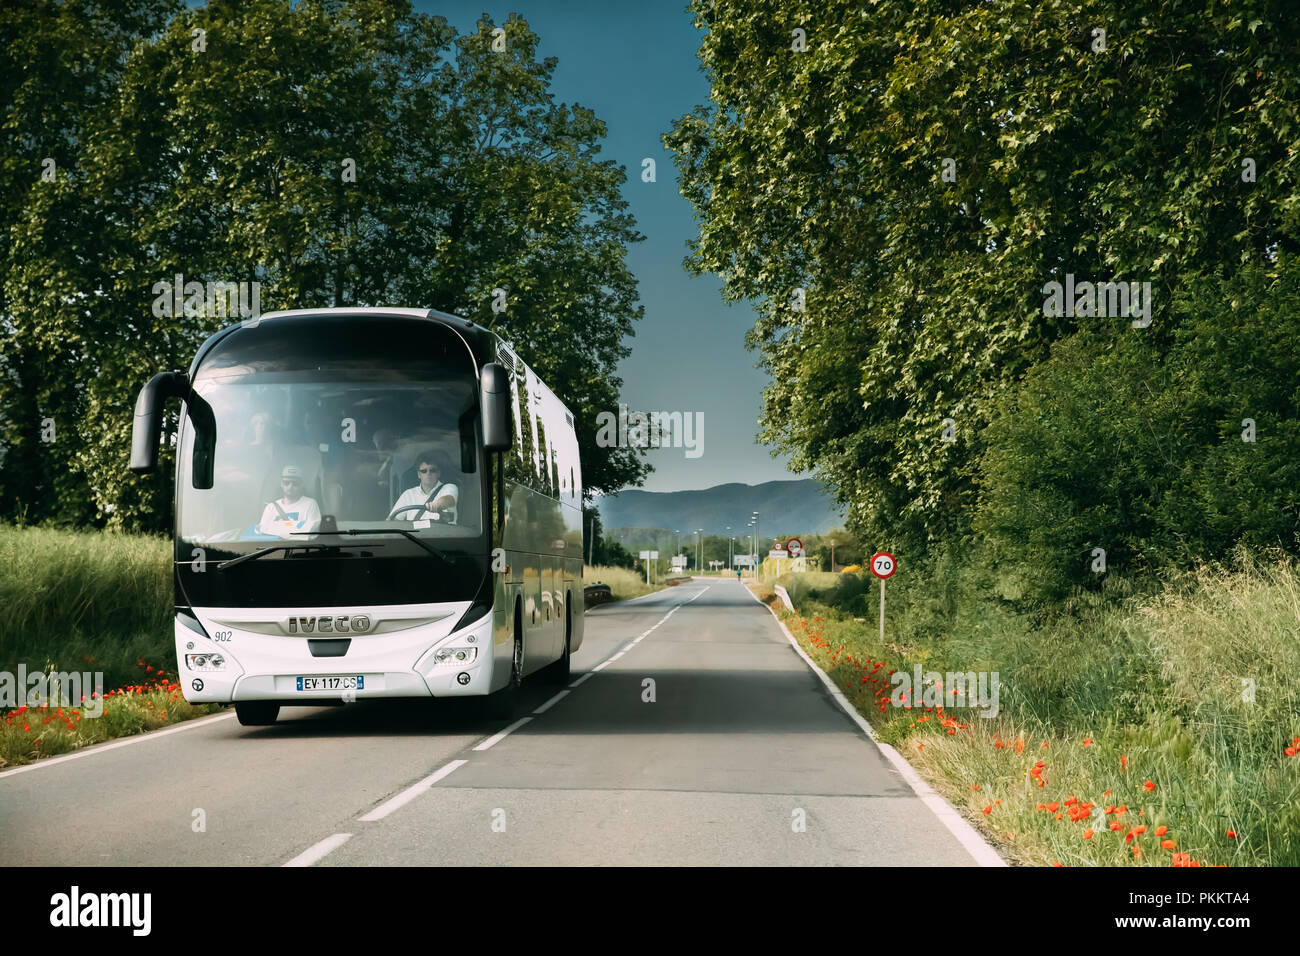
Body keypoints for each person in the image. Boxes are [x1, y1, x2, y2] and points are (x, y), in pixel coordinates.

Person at [390, 453, 458, 523]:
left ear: (439, 473)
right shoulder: (408, 494)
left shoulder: (449, 487)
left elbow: (449, 500)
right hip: (414, 534)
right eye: (424, 471)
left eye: (432, 470)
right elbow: (392, 520)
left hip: (443, 533)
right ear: (419, 474)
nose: (428, 473)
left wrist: (438, 505)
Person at [257, 466, 321, 537]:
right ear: (281, 484)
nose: (290, 486)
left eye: (295, 483)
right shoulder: (271, 507)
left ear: (301, 484)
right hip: (274, 548)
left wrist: (278, 527)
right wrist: (297, 527)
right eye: (286, 483)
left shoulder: (310, 504)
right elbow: (262, 530)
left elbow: (312, 532)